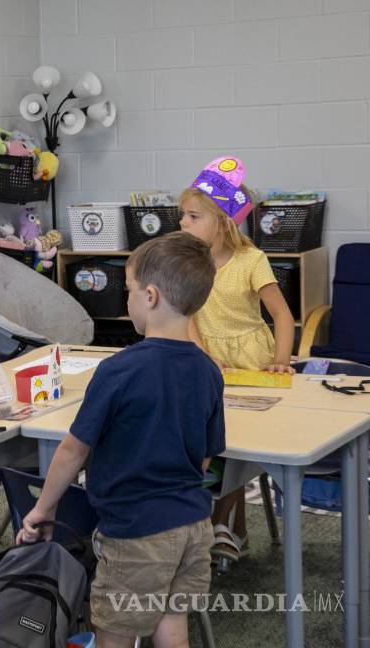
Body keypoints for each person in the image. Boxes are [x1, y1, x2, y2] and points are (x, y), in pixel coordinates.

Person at [18, 232, 224, 648]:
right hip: (193, 527)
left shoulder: (119, 370)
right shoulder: (208, 371)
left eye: (128, 290)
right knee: (172, 624)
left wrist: (43, 508)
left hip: (135, 532)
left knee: (115, 634)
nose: (126, 299)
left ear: (150, 296)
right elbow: (205, 460)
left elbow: (73, 450)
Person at [179, 156, 296, 567]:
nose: (182, 223)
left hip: (252, 363)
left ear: (223, 222)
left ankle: (223, 525)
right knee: (214, 438)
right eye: (182, 216)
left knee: (236, 439)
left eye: (193, 216)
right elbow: (188, 316)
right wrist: (204, 356)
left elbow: (282, 315)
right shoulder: (190, 265)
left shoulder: (251, 261)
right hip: (211, 364)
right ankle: (229, 528)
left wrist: (281, 361)